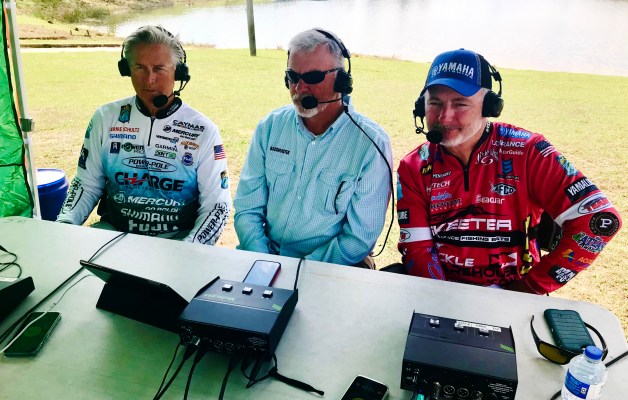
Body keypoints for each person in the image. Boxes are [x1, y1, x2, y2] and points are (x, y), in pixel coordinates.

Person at [396, 48, 621, 294]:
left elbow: (600, 221)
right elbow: (417, 248)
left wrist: (528, 289)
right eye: (435, 103)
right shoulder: (414, 166)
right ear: (421, 107)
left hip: (517, 292)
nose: (444, 117)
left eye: (460, 104)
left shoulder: (529, 151)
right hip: (441, 291)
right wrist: (443, 299)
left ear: (489, 107)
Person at [57, 25, 231, 245]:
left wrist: (190, 249)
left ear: (178, 72)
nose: (149, 80)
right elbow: (86, 183)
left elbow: (217, 205)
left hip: (178, 241)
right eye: (140, 67)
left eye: (159, 68)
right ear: (126, 69)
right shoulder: (105, 118)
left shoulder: (203, 130)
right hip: (115, 235)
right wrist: (64, 225)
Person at [234, 28, 392, 266]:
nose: (299, 88)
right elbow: (247, 209)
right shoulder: (270, 128)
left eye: (313, 77)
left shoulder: (370, 145)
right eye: (292, 76)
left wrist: (298, 271)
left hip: (330, 266)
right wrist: (264, 262)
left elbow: (359, 238)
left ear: (341, 80)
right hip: (263, 257)